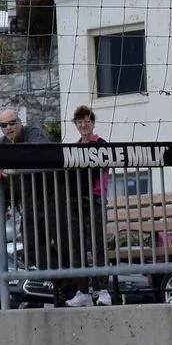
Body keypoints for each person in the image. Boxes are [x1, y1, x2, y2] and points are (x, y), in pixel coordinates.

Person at [68, 106, 114, 305]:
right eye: (79, 122)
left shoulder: (101, 144)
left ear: (92, 123)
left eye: (86, 121)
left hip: (94, 200)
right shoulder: (74, 148)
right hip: (77, 201)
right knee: (77, 244)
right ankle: (82, 291)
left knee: (97, 243)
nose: (83, 125)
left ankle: (103, 290)